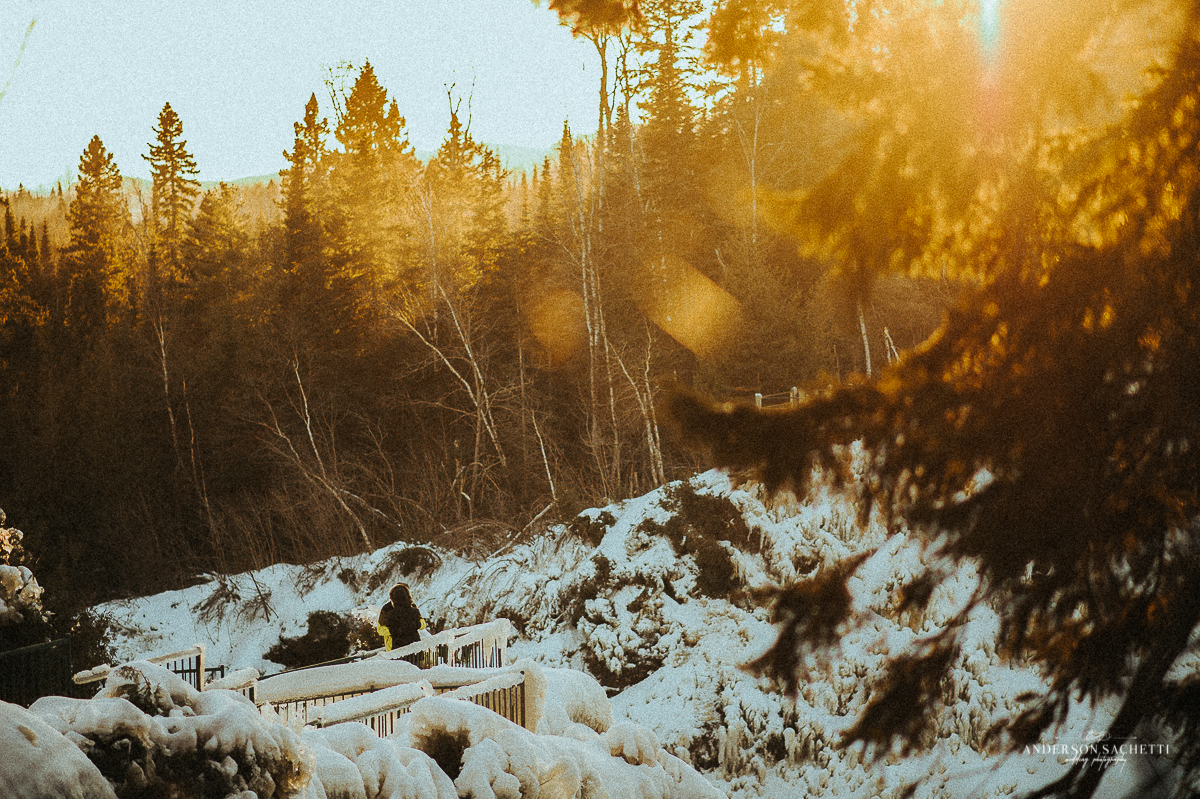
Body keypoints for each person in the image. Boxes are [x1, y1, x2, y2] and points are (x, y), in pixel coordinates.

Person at [377, 583, 426, 652]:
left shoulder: (411, 607)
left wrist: (397, 630)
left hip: (396, 647)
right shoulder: (387, 609)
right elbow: (380, 629)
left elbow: (422, 623)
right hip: (410, 646)